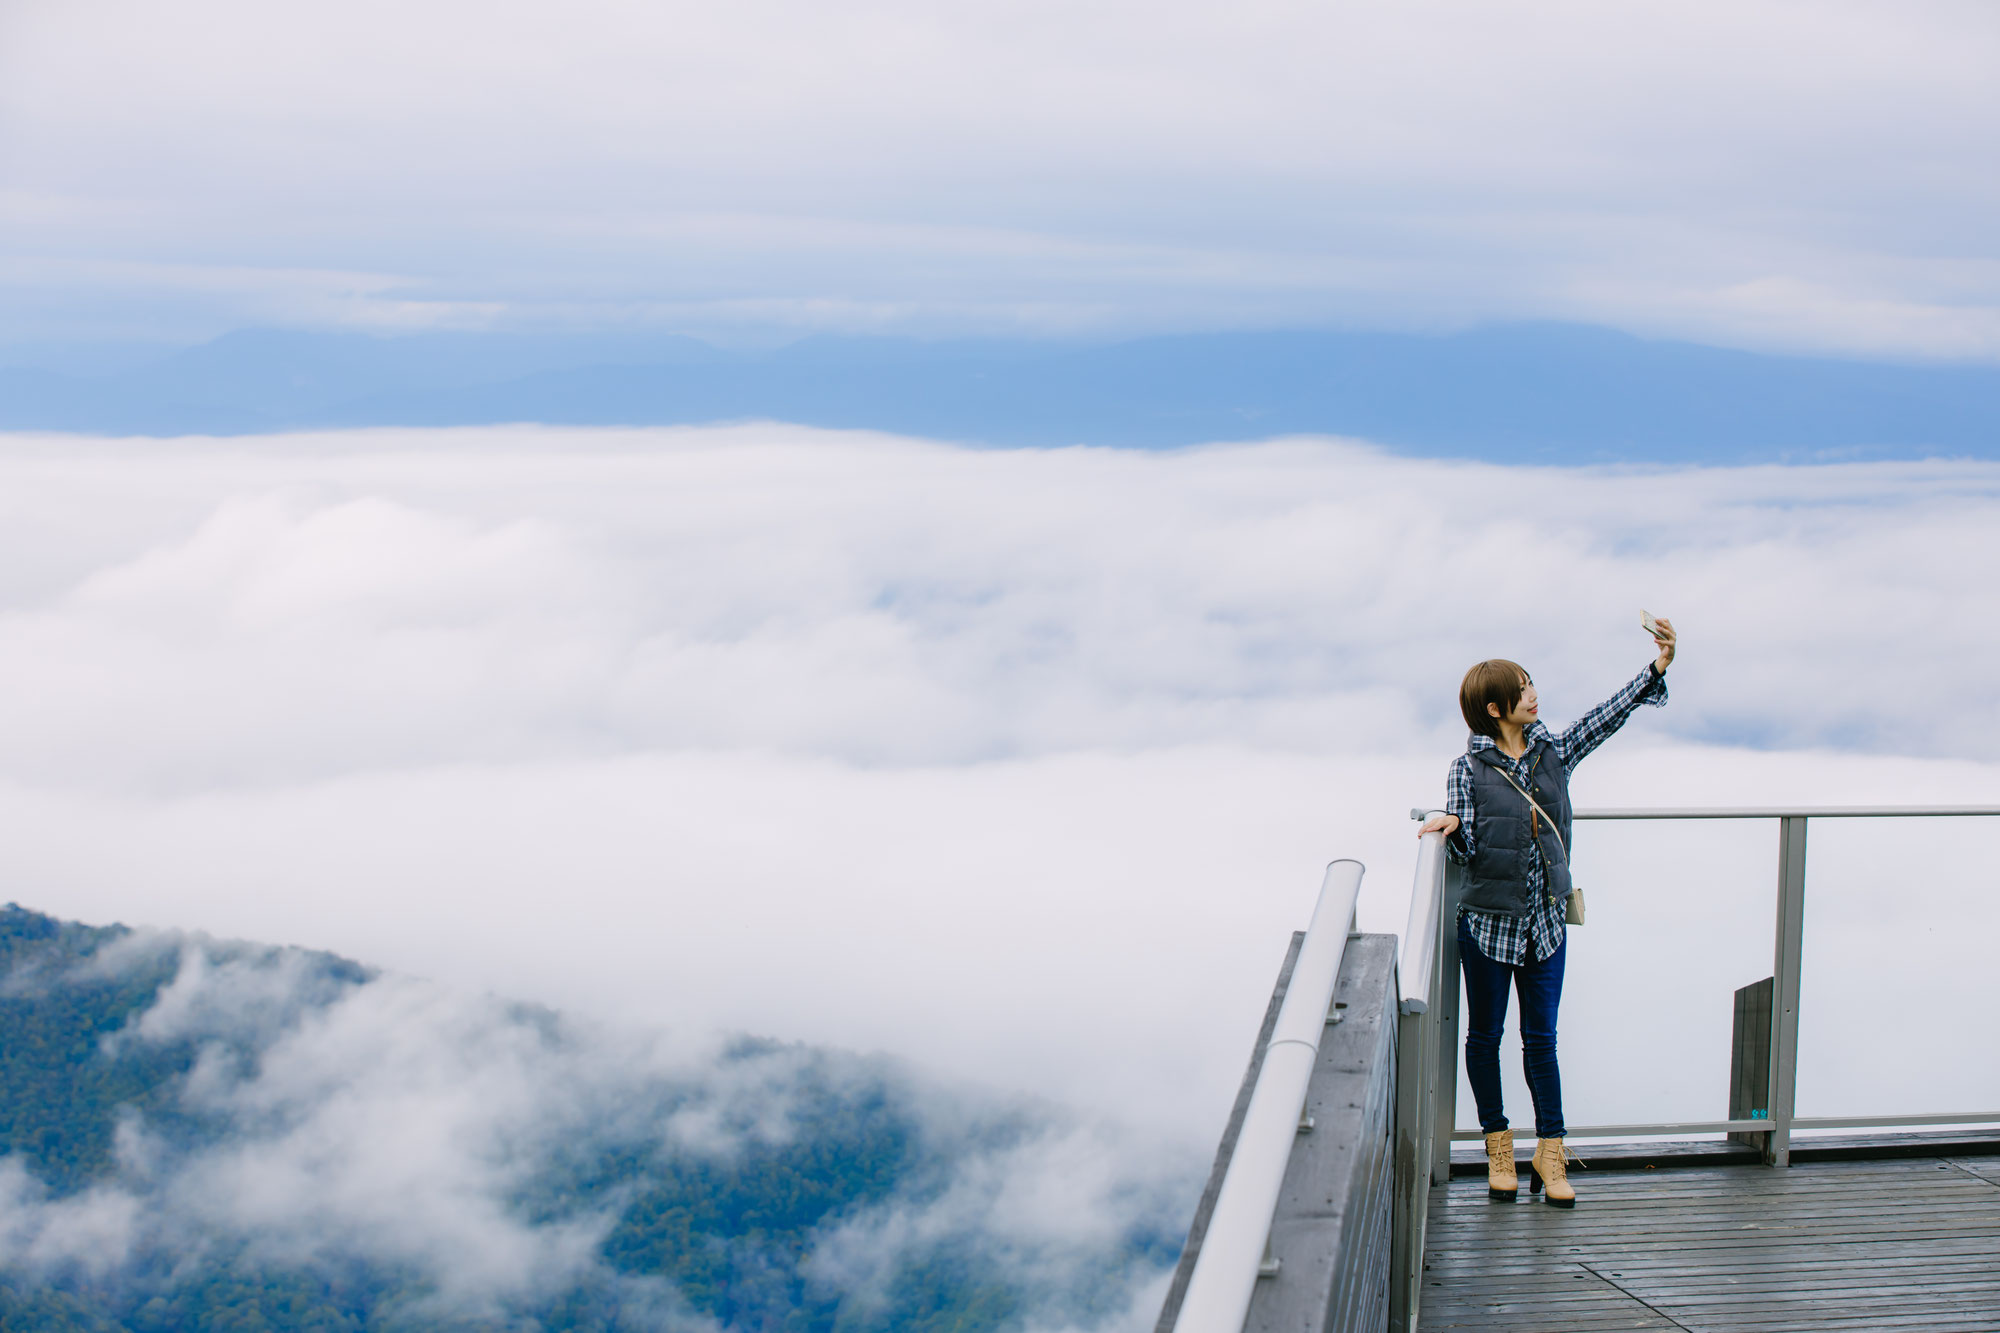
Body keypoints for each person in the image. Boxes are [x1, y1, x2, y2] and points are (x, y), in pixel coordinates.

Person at [1417, 619, 1677, 1208]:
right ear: (1494, 708)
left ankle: (1551, 1152)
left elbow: (1603, 720)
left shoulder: (1551, 752)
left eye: (1532, 684)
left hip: (1545, 927)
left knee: (1542, 1040)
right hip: (1488, 926)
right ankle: (1498, 1145)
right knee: (1484, 1038)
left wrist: (1657, 668)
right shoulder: (1467, 771)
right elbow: (1470, 848)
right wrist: (1450, 824)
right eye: (1523, 688)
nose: (1534, 694)